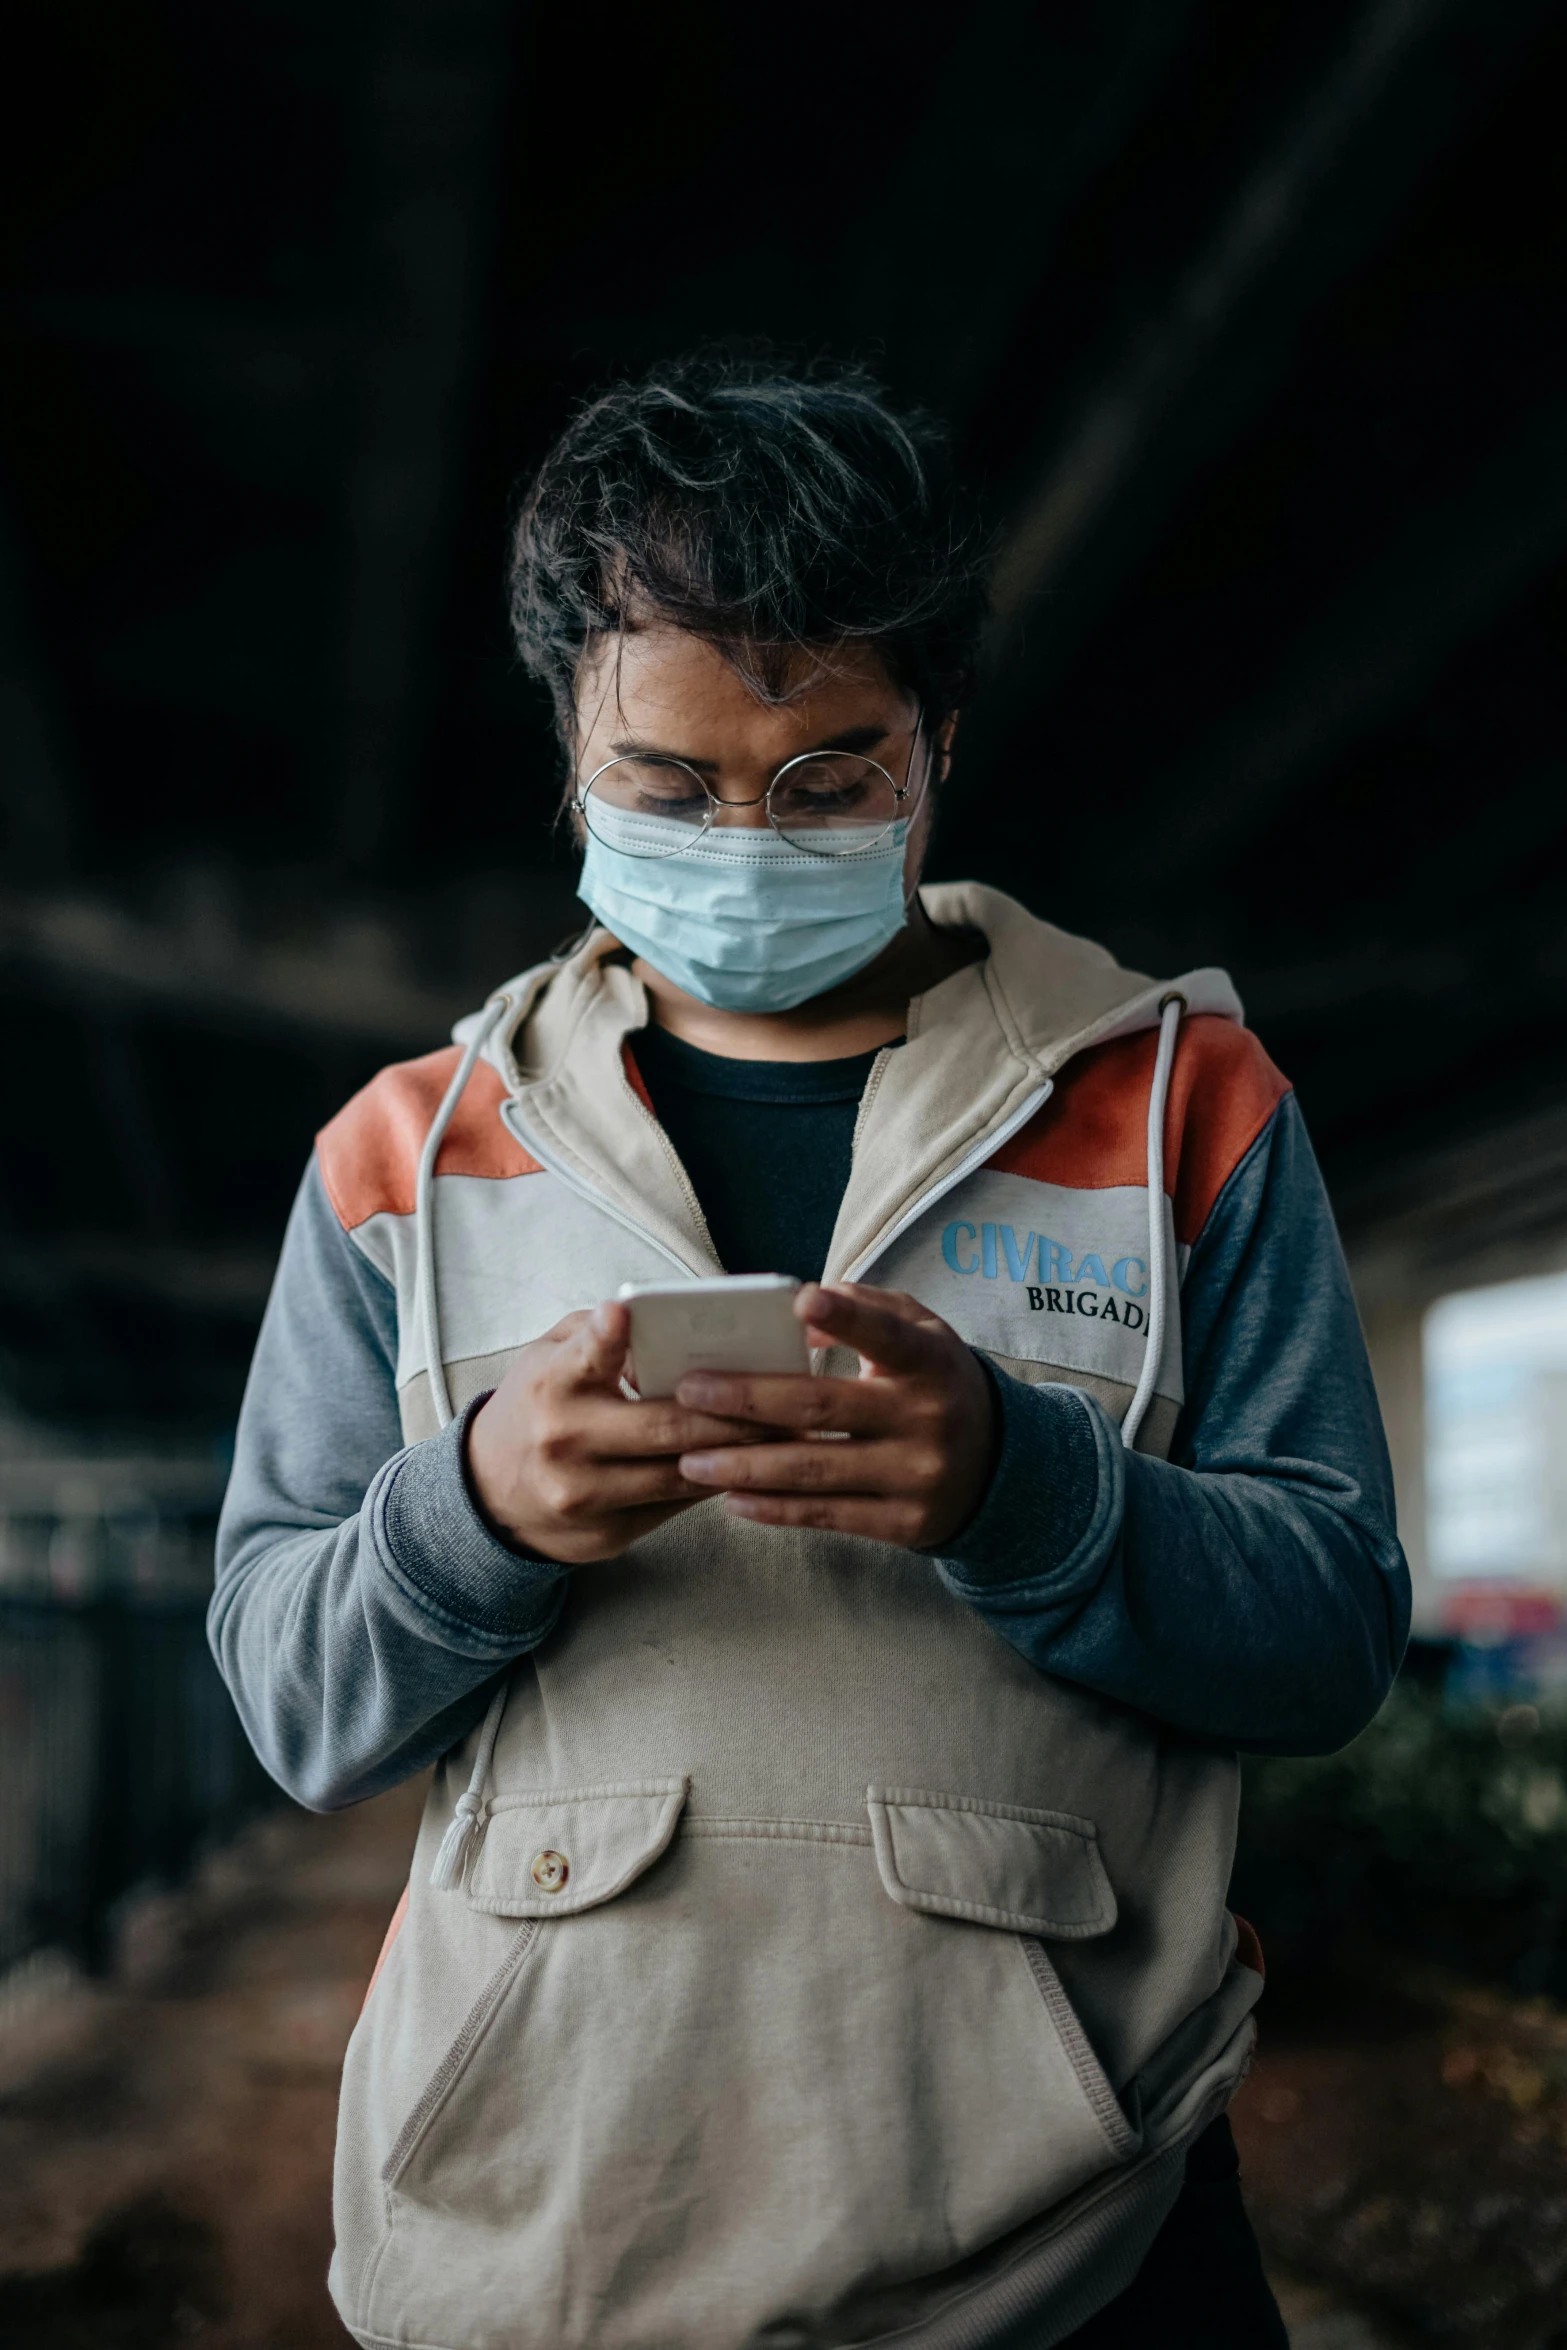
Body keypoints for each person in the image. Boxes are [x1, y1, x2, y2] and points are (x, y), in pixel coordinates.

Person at [211, 354, 1408, 2349]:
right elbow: (290, 1693)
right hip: (552, 2232)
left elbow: (1331, 1631)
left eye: (831, 775)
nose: (745, 840)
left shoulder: (1188, 1099)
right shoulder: (402, 1156)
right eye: (665, 786)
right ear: (571, 750)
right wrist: (473, 1511)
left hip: (1074, 2239)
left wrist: (1027, 1493)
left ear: (940, 743)